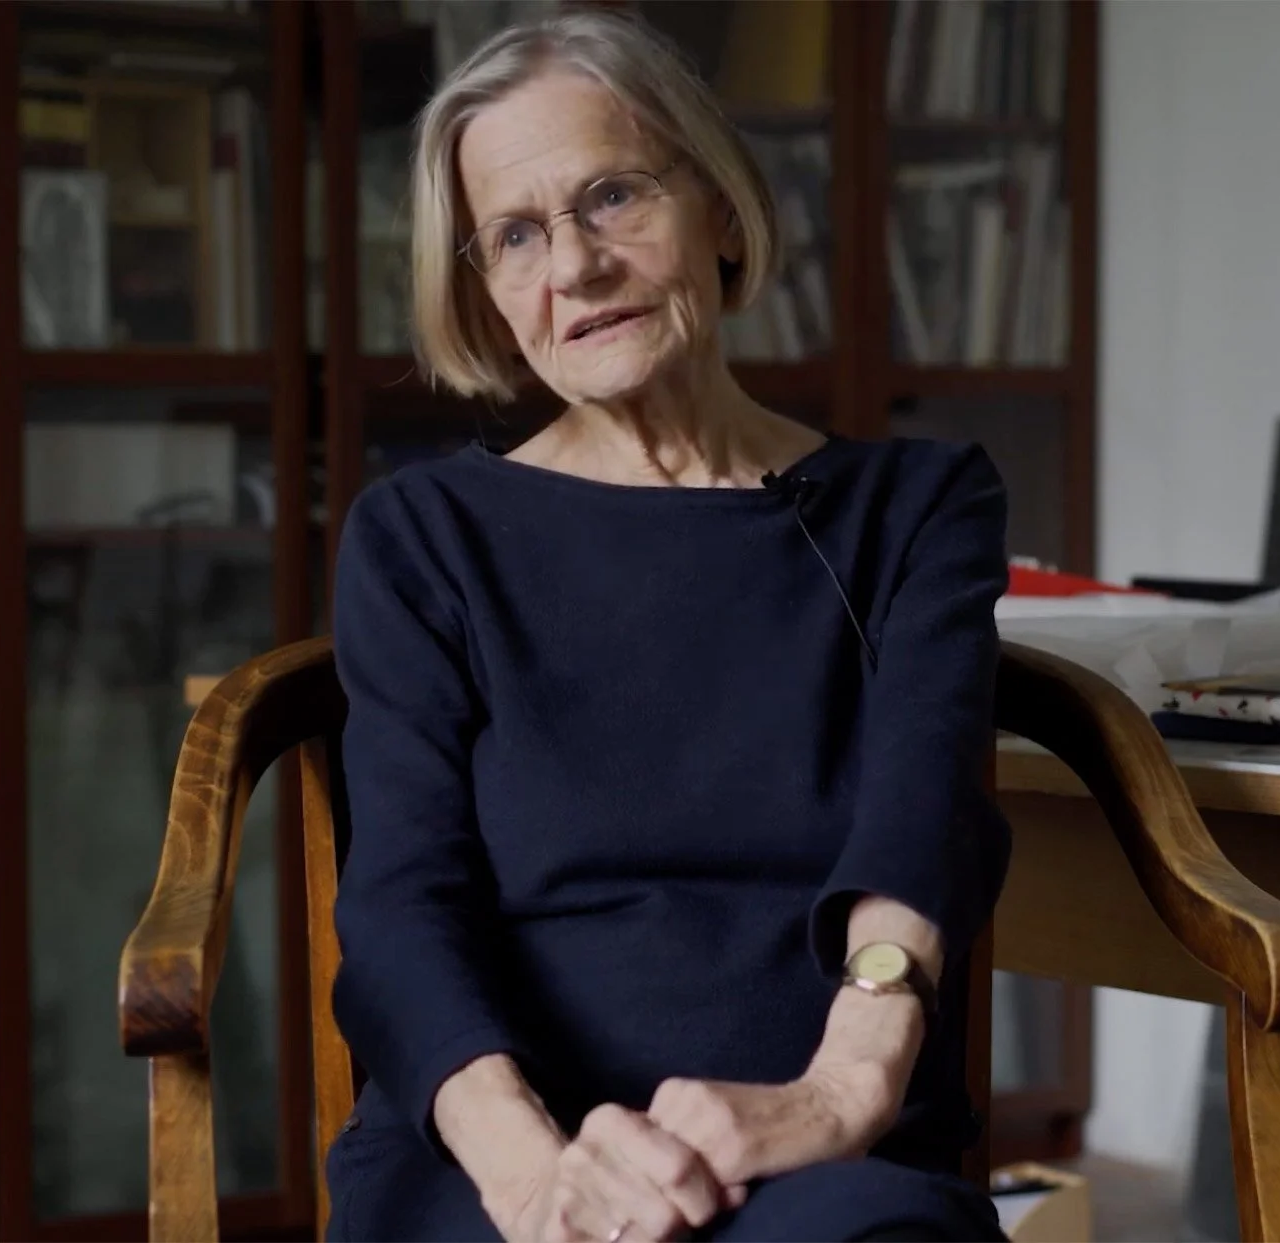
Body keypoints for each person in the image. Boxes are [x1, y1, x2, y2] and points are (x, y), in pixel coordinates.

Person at [323, 10, 1012, 1242]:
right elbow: (396, 906)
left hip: (812, 1151)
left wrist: (841, 1092)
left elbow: (925, 820)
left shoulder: (915, 508)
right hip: (502, 1154)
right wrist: (535, 1179)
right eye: (517, 235)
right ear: (486, 294)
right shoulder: (424, 537)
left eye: (614, 197)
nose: (575, 267)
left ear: (722, 209)